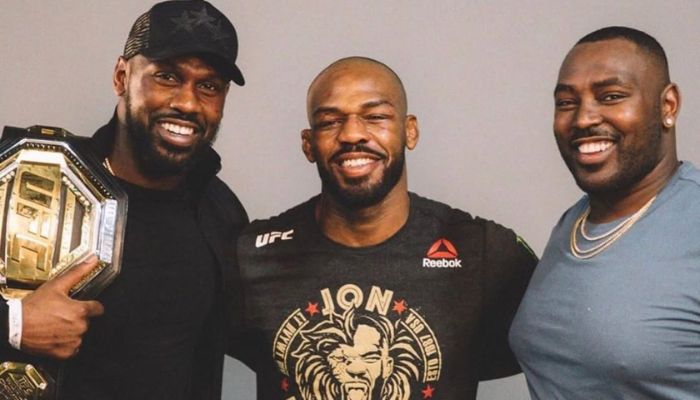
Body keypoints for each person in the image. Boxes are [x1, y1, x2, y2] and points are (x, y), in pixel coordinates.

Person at [232, 56, 537, 400]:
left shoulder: (480, 250)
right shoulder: (253, 256)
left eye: (375, 117)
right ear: (308, 144)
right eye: (330, 122)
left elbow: (567, 352)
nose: (352, 134)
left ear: (410, 131)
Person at [0, 1, 248, 399]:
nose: (187, 103)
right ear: (122, 77)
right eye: (167, 76)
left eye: (209, 86)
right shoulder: (28, 178)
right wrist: (12, 324)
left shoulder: (220, 211)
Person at [509, 26, 700, 399]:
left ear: (668, 106)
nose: (583, 119)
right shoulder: (573, 226)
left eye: (611, 96)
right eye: (567, 102)